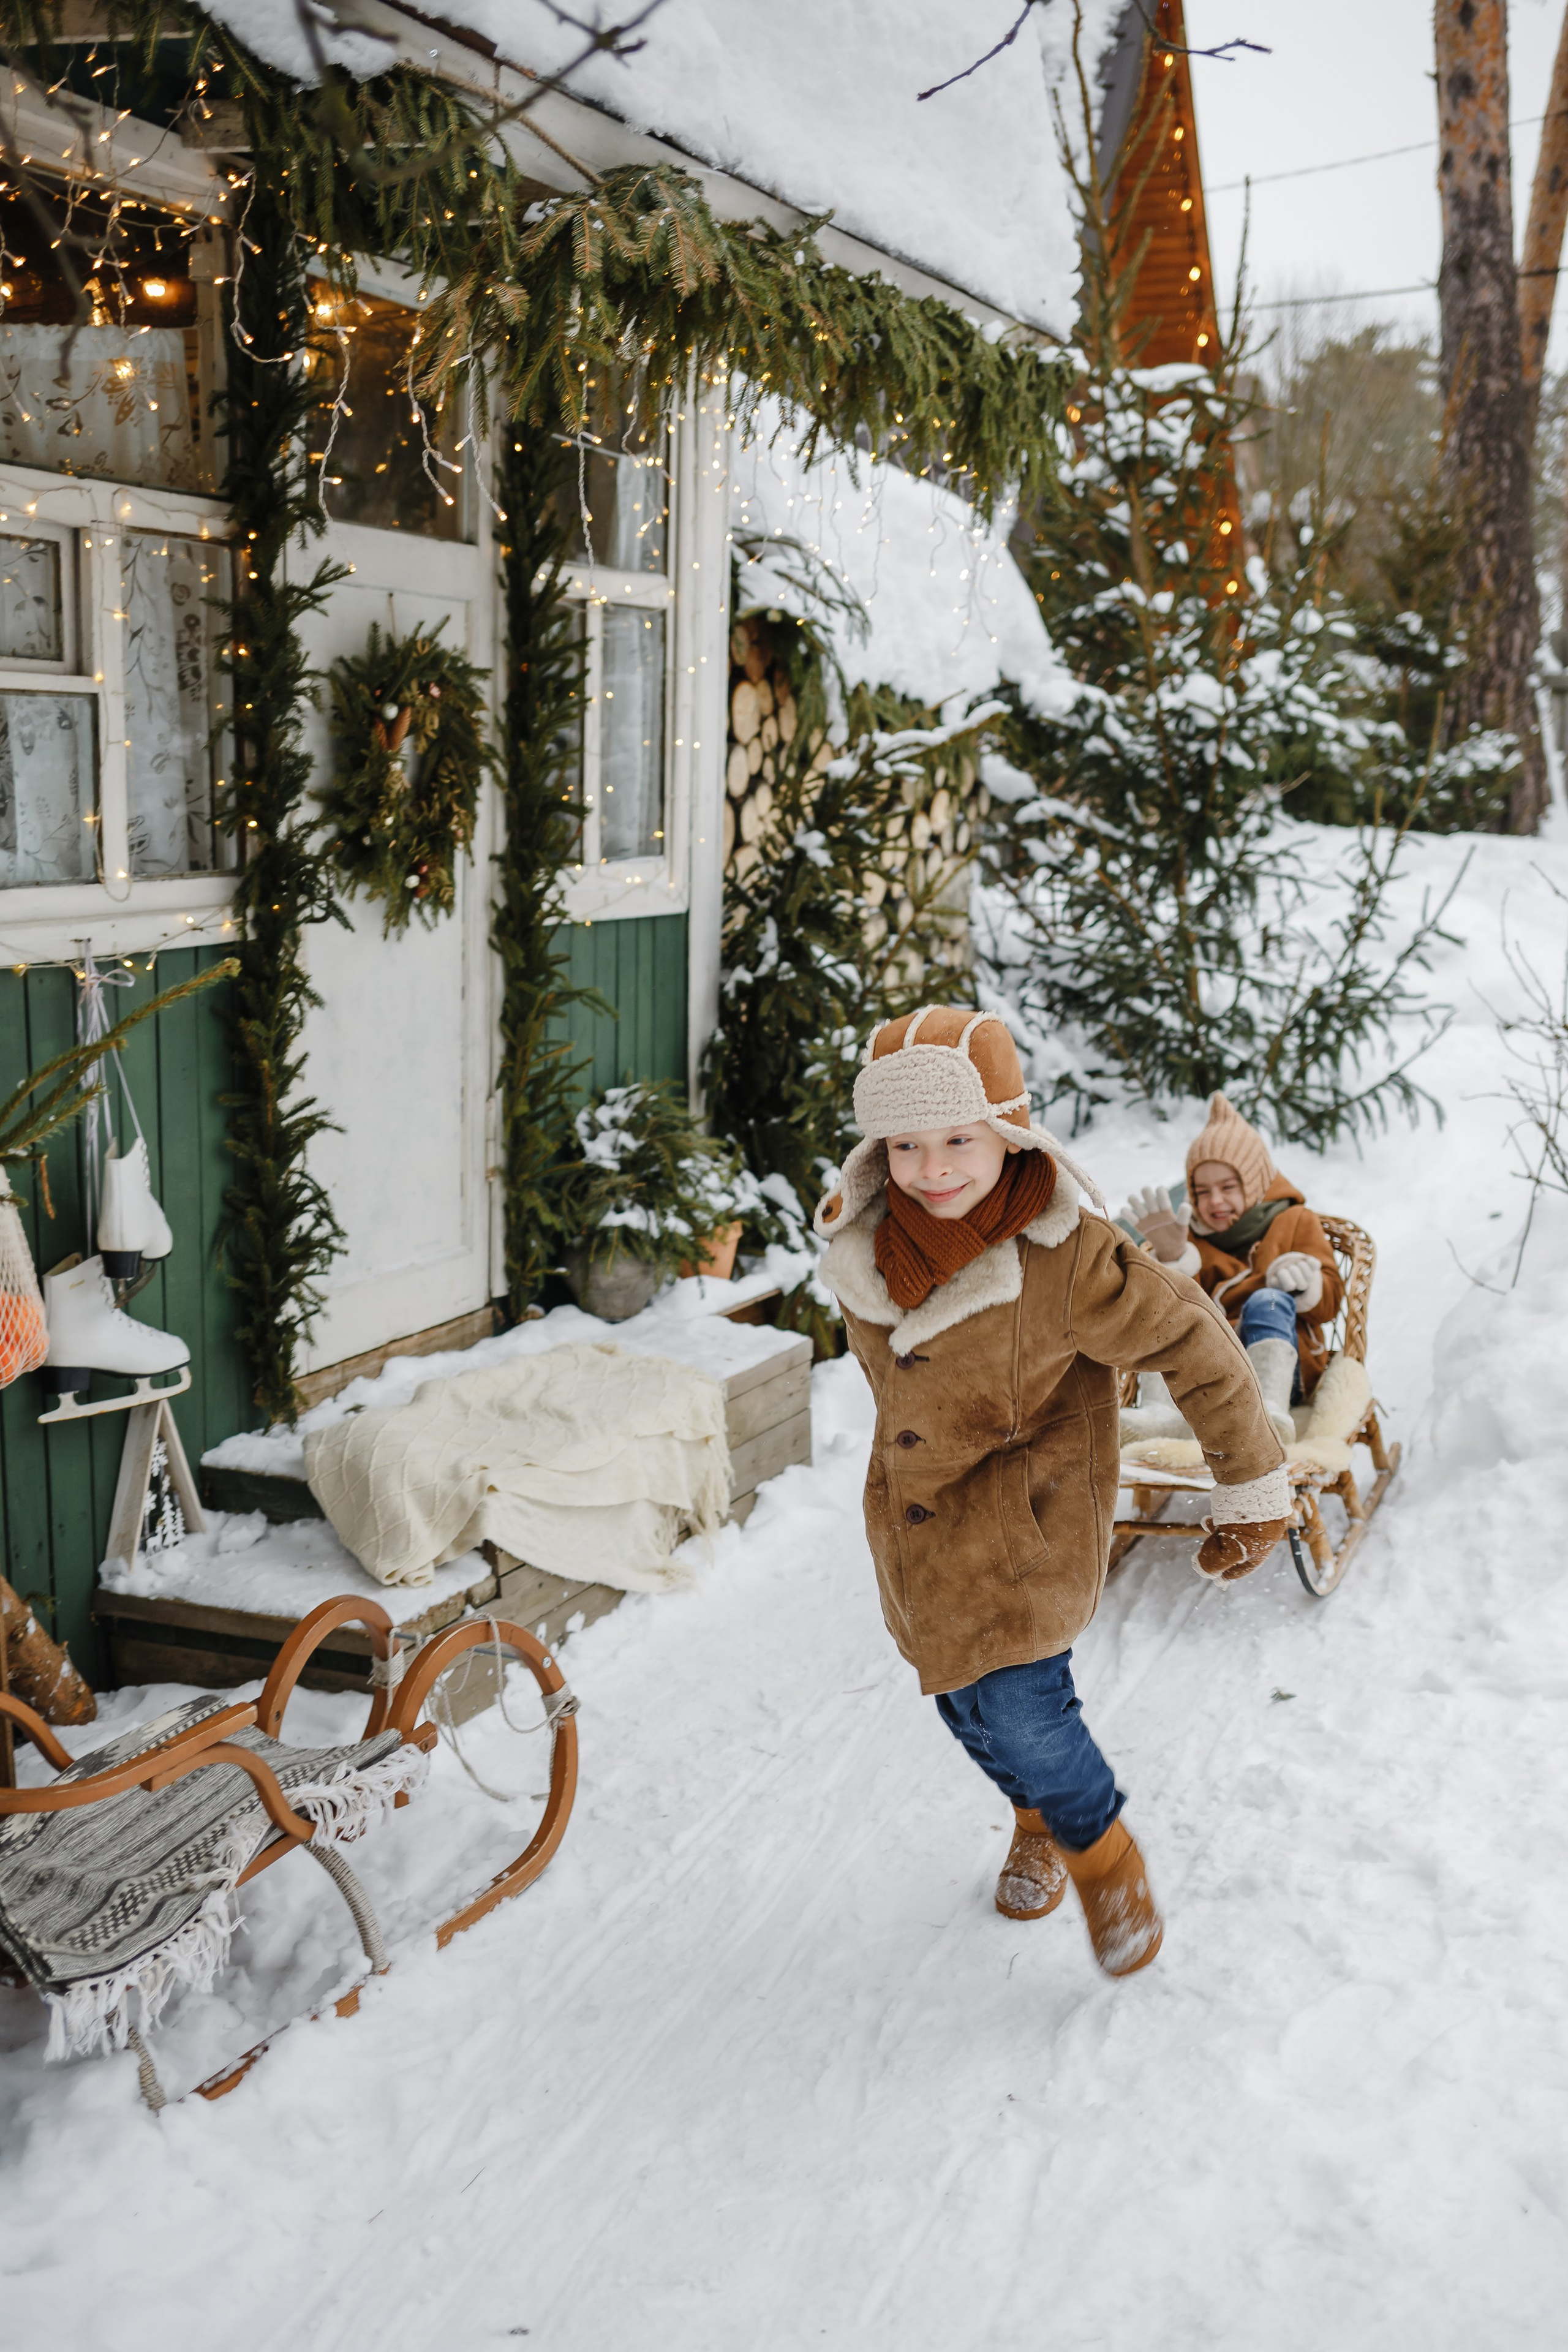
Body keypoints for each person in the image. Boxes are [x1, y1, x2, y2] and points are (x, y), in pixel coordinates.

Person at [815, 1011, 1287, 1979]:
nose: (933, 1168)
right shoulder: (866, 1245)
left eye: (959, 1140)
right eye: (906, 1145)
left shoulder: (1064, 1254)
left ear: (1011, 1134)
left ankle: (1102, 1858)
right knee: (964, 1710)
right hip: (919, 1539)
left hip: (1031, 1526)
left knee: (1028, 1711)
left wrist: (1249, 1482)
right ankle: (1035, 1815)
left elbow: (1196, 1339)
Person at [1123, 1092, 1342, 1445]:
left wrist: (1306, 1284)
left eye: (1228, 1187)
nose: (1216, 1202)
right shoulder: (1191, 1235)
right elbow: (1182, 1309)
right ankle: (1163, 1413)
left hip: (1285, 1371)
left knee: (1266, 1300)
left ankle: (1268, 1412)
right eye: (1202, 1191)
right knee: (1170, 1313)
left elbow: (1330, 1303)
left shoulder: (1295, 1221)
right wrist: (1173, 1255)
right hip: (1213, 1375)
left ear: (1253, 1183)